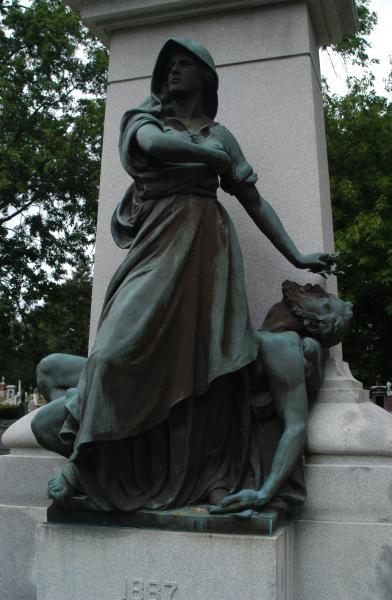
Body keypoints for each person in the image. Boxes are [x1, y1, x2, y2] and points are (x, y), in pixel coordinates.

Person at [32, 38, 335, 512]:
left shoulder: (220, 133)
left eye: (184, 64)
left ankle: (194, 474)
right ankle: (86, 457)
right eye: (168, 66)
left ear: (205, 77)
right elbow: (153, 146)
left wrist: (296, 255)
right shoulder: (144, 120)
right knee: (112, 353)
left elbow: (253, 202)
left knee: (204, 373)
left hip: (207, 252)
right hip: (158, 245)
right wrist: (213, 159)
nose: (173, 72)